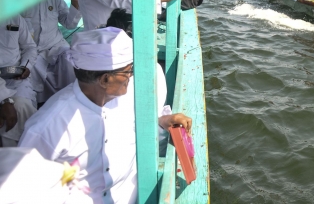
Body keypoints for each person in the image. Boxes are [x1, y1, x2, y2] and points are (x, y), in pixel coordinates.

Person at [19, 27, 191, 203]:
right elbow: (23, 189)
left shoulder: (128, 97)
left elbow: (133, 132)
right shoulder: (49, 126)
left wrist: (162, 122)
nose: (131, 76)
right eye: (128, 71)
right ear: (105, 79)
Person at [20, 0, 81, 104]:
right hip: (31, 49)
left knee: (71, 61)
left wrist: (75, 3)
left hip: (56, 46)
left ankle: (74, 102)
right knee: (25, 74)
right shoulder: (18, 1)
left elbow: (69, 24)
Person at [0, 16, 38, 147]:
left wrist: (25, 67)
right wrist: (4, 99)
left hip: (15, 77)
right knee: (9, 111)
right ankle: (10, 158)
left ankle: (32, 150)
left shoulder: (15, 18)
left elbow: (30, 47)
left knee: (22, 106)